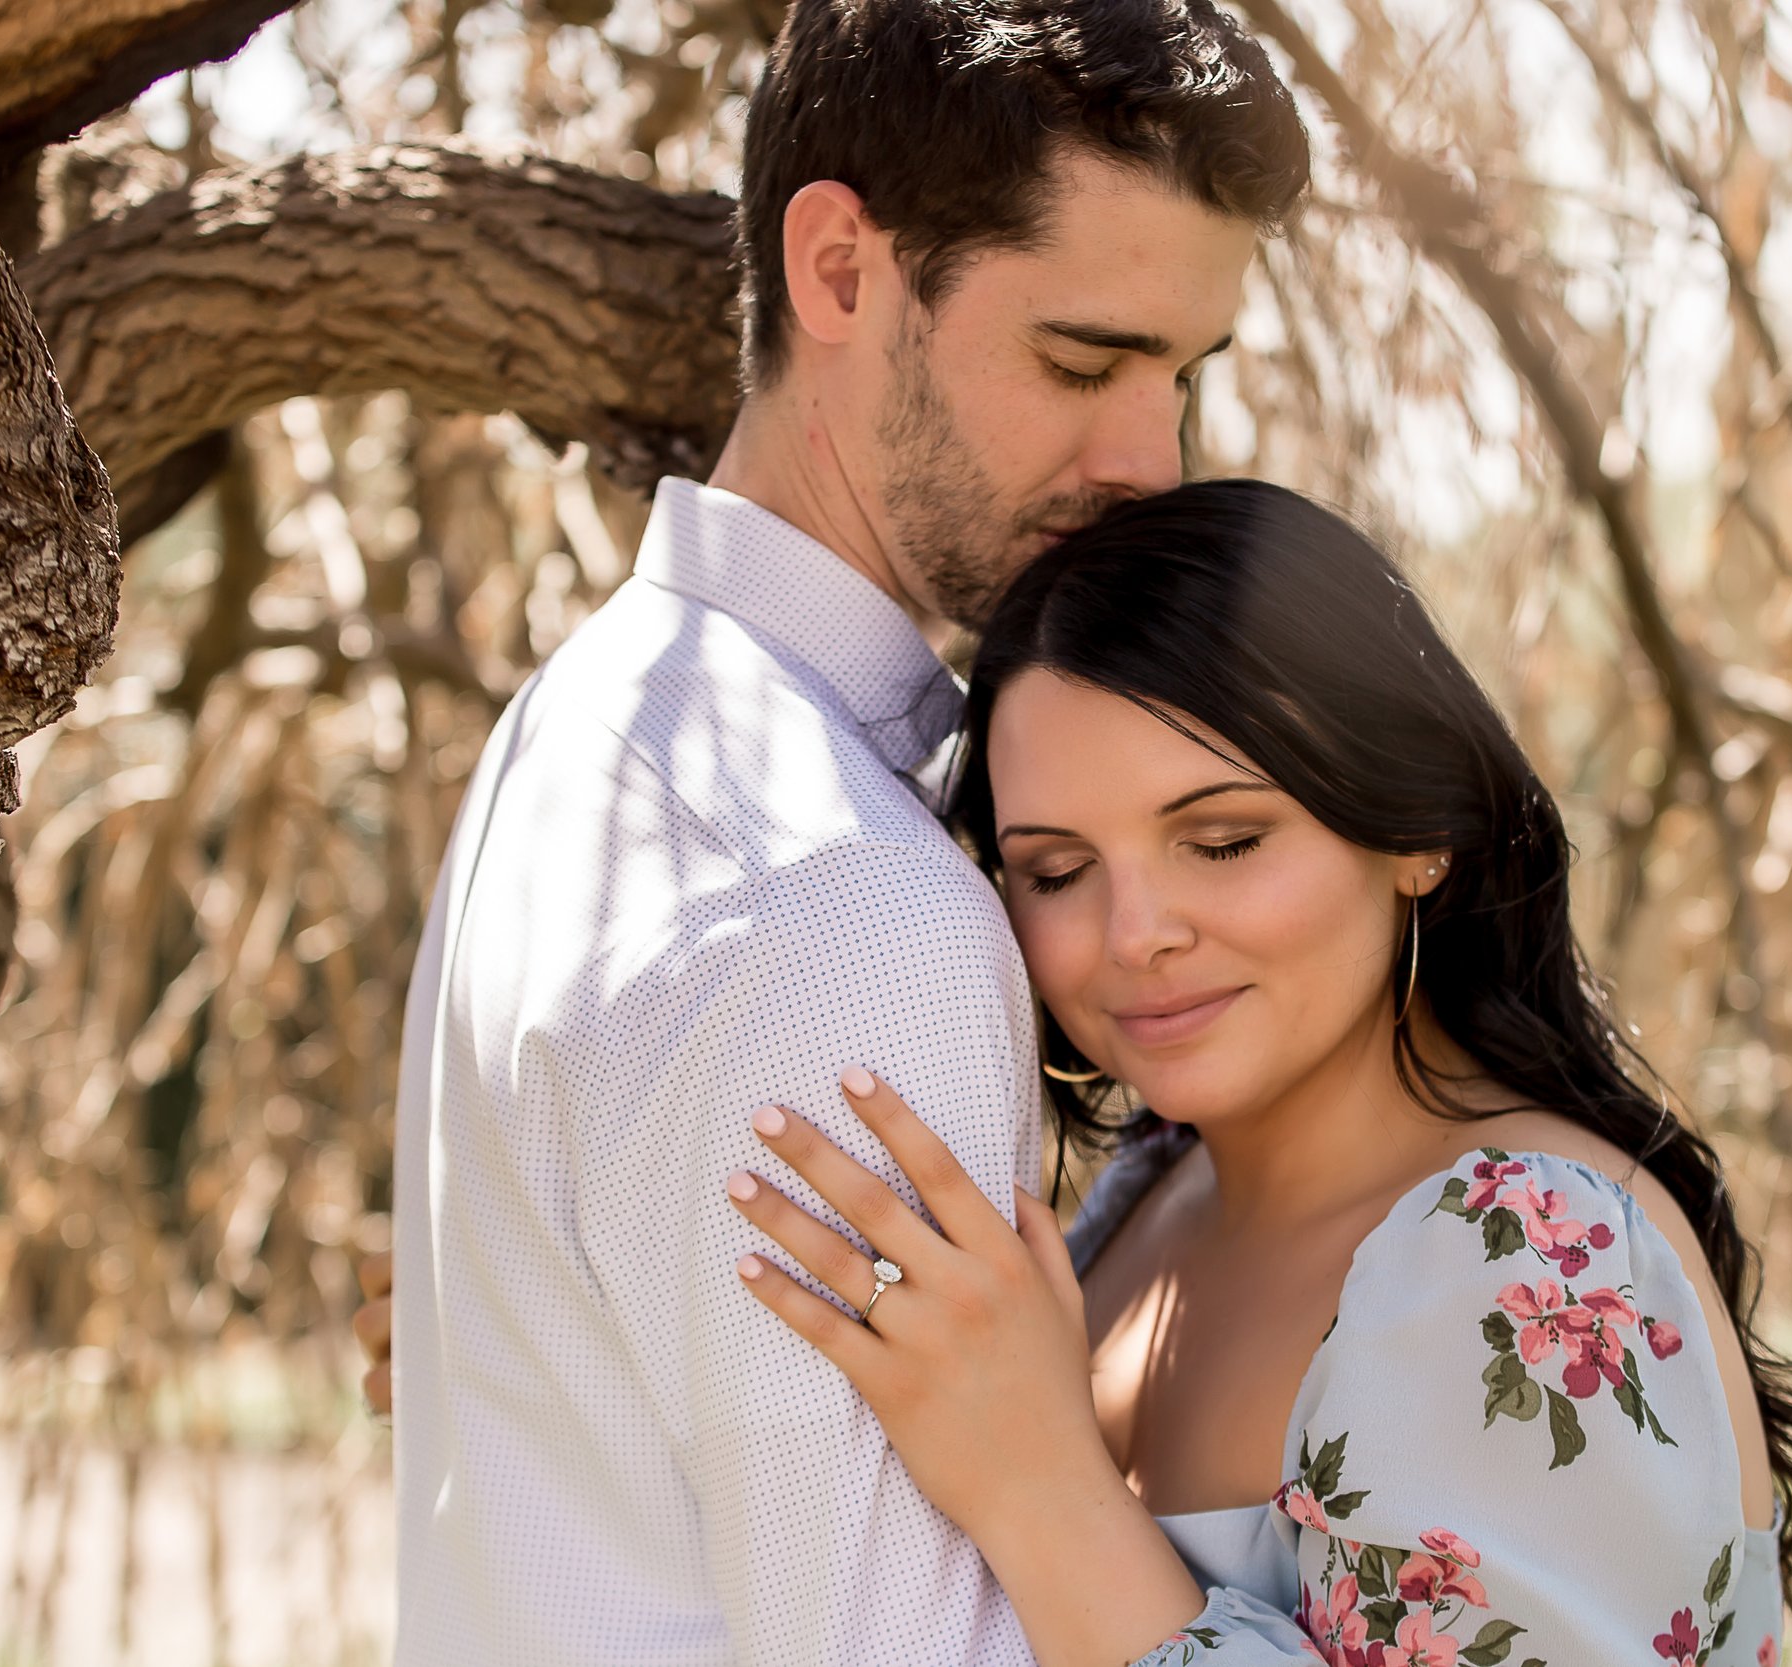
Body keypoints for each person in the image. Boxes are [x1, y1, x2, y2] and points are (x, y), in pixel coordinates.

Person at [387, 2, 1307, 1664]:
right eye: (1082, 361)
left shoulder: (575, 727)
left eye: (1183, 376)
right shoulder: (851, 909)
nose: (1150, 461)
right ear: (838, 272)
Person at [720, 480, 1792, 1666]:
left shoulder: (1522, 1247)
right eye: (1055, 870)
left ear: (1416, 832)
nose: (1134, 933)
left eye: (1222, 841)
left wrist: (1038, 1487)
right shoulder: (1142, 1201)